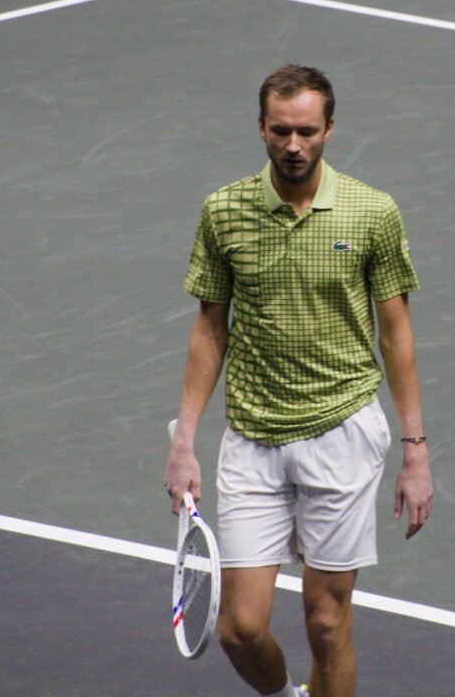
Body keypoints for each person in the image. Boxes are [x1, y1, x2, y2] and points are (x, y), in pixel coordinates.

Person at [164, 64, 433, 697]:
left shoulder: (372, 212)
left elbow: (396, 333)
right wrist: (184, 442)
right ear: (261, 127)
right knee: (239, 628)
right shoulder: (224, 210)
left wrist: (415, 449)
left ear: (329, 131)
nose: (293, 145)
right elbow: (209, 329)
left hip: (341, 431)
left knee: (326, 622)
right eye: (280, 130)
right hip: (252, 438)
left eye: (306, 131)